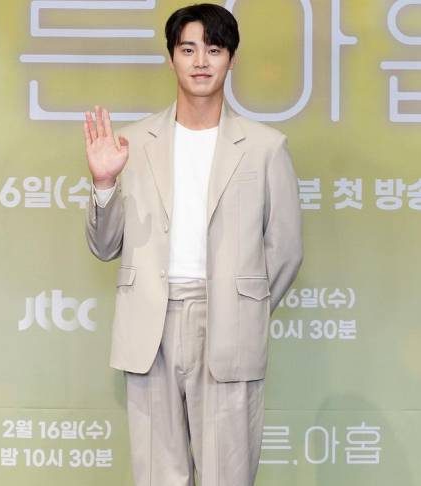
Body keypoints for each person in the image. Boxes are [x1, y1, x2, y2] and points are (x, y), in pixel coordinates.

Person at [83, 4, 303, 485]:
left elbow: (285, 250)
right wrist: (104, 184)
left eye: (214, 49)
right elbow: (105, 246)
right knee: (157, 475)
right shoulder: (131, 144)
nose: (201, 61)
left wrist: (244, 305)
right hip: (150, 325)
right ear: (171, 59)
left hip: (227, 325)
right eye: (188, 50)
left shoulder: (265, 147)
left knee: (228, 474)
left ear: (232, 59)